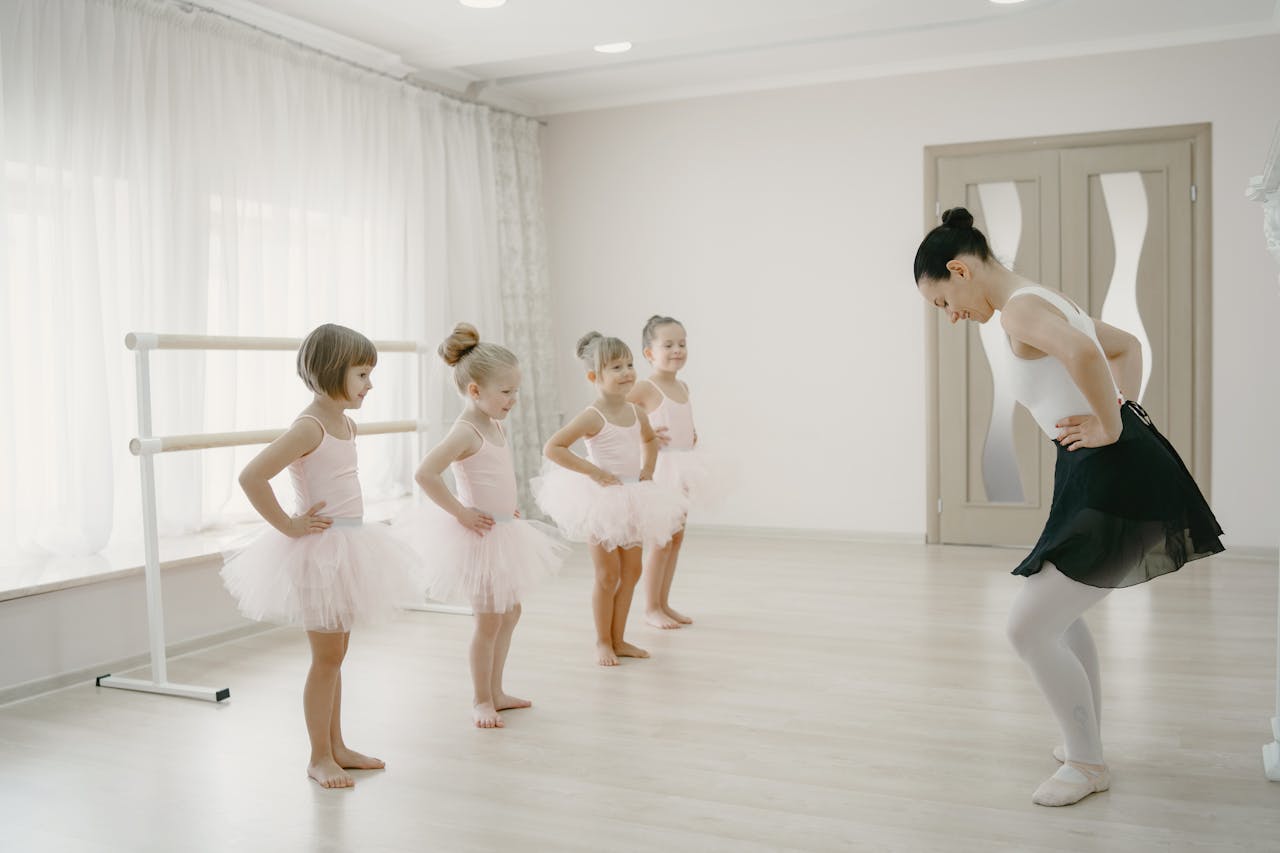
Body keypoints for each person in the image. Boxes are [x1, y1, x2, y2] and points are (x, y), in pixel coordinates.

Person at [913, 207, 1224, 806]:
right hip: (1100, 466)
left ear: (959, 270)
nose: (951, 318)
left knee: (1027, 627)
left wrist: (1111, 426)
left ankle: (1087, 763)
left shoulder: (1023, 310)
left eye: (943, 303)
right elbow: (1125, 346)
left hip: (1114, 472)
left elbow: (1088, 355)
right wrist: (1123, 418)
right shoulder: (1035, 299)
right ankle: (1086, 742)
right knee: (1059, 615)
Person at [221, 323, 421, 789]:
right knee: (326, 657)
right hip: (319, 552)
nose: (370, 384)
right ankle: (318, 756)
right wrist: (289, 524)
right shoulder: (308, 426)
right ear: (333, 372)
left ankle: (337, 745)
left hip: (349, 544)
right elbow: (253, 476)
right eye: (363, 374)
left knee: (337, 654)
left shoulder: (345, 422)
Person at [395, 323, 565, 728]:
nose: (514, 399)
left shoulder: (494, 424)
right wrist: (460, 512)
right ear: (475, 390)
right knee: (488, 619)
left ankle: (497, 690)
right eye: (505, 392)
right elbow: (425, 474)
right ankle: (480, 699)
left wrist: (509, 511)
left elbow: (496, 476)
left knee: (511, 612)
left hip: (502, 529)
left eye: (515, 390)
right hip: (478, 536)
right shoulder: (465, 430)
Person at [533, 332, 687, 666]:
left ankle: (620, 638)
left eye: (629, 364)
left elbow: (648, 439)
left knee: (631, 572)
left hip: (634, 498)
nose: (627, 372)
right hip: (603, 503)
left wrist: (648, 468)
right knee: (607, 575)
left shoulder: (636, 411)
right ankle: (602, 640)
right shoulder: (593, 415)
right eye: (616, 367)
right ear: (594, 376)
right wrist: (593, 472)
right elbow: (553, 447)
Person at [628, 315, 716, 629]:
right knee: (660, 540)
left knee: (676, 538)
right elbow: (613, 414)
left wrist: (692, 434)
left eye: (682, 343)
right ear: (649, 353)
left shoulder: (682, 385)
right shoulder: (645, 387)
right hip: (662, 469)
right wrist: (646, 431)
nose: (677, 350)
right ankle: (651, 606)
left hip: (685, 465)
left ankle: (664, 602)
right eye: (668, 345)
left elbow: (682, 420)